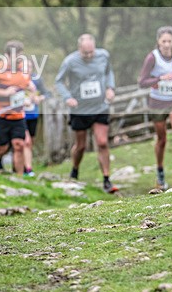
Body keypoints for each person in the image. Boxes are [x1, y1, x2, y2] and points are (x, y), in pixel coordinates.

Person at [55, 33, 119, 194]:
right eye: (86, 54)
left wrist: (111, 88)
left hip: (100, 106)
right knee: (81, 146)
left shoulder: (103, 55)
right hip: (80, 110)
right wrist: (67, 97)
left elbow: (109, 72)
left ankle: (106, 179)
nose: (89, 56)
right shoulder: (70, 61)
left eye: (91, 53)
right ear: (79, 50)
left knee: (102, 142)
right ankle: (75, 169)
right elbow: (59, 81)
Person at [138, 26, 172, 189]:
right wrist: (160, 78)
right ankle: (160, 172)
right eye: (164, 41)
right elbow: (142, 82)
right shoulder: (152, 58)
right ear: (158, 42)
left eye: (169, 41)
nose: (167, 44)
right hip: (157, 103)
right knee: (162, 139)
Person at [0, 41, 36, 175]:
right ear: (6, 55)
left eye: (20, 56)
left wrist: (30, 97)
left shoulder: (23, 69)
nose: (18, 59)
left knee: (19, 145)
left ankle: (19, 178)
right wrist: (5, 93)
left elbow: (29, 86)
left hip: (18, 115)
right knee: (2, 147)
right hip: (0, 114)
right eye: (15, 56)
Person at [22, 65, 51, 177]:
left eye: (29, 67)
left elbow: (47, 93)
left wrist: (39, 98)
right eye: (24, 67)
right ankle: (28, 169)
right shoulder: (17, 79)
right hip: (20, 115)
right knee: (26, 141)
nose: (27, 69)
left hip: (33, 115)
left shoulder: (37, 80)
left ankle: (23, 166)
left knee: (30, 142)